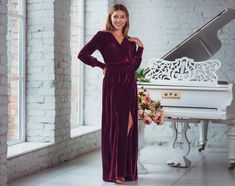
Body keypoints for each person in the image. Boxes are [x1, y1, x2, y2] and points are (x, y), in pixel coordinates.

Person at [77, 3, 144, 184]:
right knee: (118, 125)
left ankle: (125, 170)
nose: (119, 20)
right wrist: (101, 65)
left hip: (129, 84)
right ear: (110, 18)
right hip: (113, 83)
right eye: (116, 16)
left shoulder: (130, 42)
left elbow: (134, 67)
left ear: (127, 19)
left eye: (122, 17)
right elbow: (82, 54)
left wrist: (140, 49)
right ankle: (116, 173)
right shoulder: (102, 37)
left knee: (129, 124)